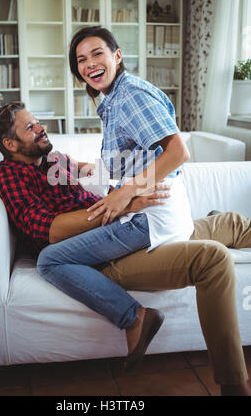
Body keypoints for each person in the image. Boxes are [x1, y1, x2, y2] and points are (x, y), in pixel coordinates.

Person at [0, 104, 251, 396]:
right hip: (98, 250)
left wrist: (122, 184)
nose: (41, 128)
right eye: (30, 127)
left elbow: (83, 168)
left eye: (37, 122)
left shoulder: (51, 159)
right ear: (10, 144)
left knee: (232, 222)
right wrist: (118, 206)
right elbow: (47, 229)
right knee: (210, 255)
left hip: (119, 227)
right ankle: (136, 318)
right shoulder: (11, 176)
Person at [36, 26, 196, 369]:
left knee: (50, 260)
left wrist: (125, 193)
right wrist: (88, 169)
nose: (90, 64)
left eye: (97, 54)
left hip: (148, 218)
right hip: (155, 213)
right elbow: (136, 158)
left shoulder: (130, 94)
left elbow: (177, 153)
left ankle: (134, 317)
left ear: (117, 56)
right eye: (81, 59)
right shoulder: (114, 99)